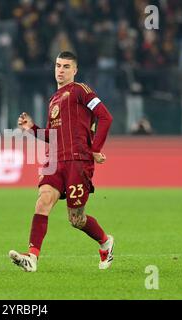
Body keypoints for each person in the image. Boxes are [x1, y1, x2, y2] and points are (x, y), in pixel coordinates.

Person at [9, 51, 114, 272]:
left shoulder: (81, 91)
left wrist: (95, 149)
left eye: (66, 66)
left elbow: (106, 117)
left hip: (78, 162)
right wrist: (33, 129)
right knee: (42, 201)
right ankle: (32, 258)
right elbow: (54, 135)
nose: (61, 70)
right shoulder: (53, 100)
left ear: (75, 70)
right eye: (58, 65)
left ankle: (105, 241)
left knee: (76, 219)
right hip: (55, 161)